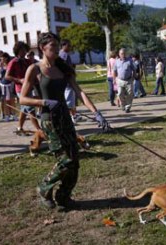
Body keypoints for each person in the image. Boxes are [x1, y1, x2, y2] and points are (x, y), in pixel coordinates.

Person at [20, 32, 110, 209]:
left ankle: (63, 196)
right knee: (66, 159)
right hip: (49, 120)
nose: (56, 49)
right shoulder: (35, 69)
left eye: (57, 45)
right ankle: (43, 187)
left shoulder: (63, 68)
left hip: (64, 117)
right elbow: (22, 99)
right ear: (42, 48)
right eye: (52, 46)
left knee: (75, 161)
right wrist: (43, 102)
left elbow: (79, 92)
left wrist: (96, 113)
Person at [5, 41, 41, 134]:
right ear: (17, 51)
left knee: (24, 108)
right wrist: (19, 80)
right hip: (20, 89)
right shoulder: (13, 62)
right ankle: (39, 130)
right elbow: (7, 76)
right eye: (22, 50)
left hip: (30, 88)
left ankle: (19, 127)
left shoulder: (28, 61)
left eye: (25, 49)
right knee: (30, 109)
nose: (25, 52)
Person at [59, 39, 81, 124]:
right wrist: (71, 72)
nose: (70, 47)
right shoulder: (64, 54)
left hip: (65, 80)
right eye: (68, 45)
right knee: (69, 100)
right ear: (63, 46)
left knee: (70, 99)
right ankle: (69, 118)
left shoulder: (62, 54)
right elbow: (64, 67)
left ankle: (73, 115)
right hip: (68, 81)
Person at [0, 52, 17, 121]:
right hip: (3, 85)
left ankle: (14, 114)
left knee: (12, 100)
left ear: (6, 58)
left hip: (10, 84)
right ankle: (7, 115)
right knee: (5, 101)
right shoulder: (0, 65)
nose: (1, 59)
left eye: (3, 58)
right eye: (1, 58)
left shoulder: (10, 64)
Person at [113, 48, 135, 113]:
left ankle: (127, 107)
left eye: (124, 53)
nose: (123, 55)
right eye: (121, 53)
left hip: (128, 80)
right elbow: (114, 71)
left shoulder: (130, 61)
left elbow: (134, 69)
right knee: (120, 94)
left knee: (130, 93)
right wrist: (114, 79)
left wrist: (133, 77)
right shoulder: (116, 61)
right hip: (120, 80)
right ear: (119, 54)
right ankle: (123, 105)